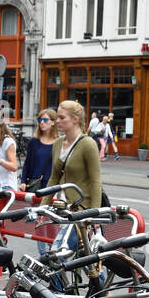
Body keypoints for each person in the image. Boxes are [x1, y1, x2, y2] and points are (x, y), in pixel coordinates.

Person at [46, 99, 102, 237]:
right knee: (66, 254)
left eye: (62, 117)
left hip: (82, 210)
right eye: (57, 117)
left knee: (61, 250)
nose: (57, 121)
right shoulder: (58, 143)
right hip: (62, 209)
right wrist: (43, 206)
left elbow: (96, 181)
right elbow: (54, 178)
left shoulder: (88, 144)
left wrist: (94, 213)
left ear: (75, 119)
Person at [20, 108, 58, 192]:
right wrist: (23, 181)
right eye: (40, 120)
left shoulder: (59, 142)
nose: (41, 122)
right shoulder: (34, 142)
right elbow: (27, 163)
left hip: (52, 186)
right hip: (35, 184)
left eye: (45, 120)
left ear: (53, 122)